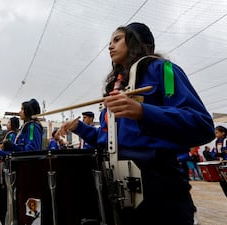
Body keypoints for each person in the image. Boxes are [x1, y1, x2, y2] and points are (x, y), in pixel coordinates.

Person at [57, 22, 215, 225]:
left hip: (160, 189)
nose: (110, 46)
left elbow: (201, 125)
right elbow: (108, 142)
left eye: (117, 39)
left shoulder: (163, 70)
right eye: (109, 42)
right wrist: (79, 127)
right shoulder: (118, 87)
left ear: (135, 41)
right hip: (119, 189)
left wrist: (143, 112)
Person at [0, 99, 43, 225]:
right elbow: (20, 150)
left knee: (28, 206)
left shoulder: (32, 127)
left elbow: (30, 151)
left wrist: (5, 149)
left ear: (29, 111)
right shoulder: (26, 127)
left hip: (27, 173)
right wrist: (7, 147)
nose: (20, 112)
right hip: (20, 171)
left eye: (22, 109)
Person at [214, 125, 227, 197]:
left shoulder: (226, 140)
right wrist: (215, 155)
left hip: (226, 164)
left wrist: (223, 154)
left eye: (217, 133)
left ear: (223, 133)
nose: (216, 134)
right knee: (223, 184)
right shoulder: (217, 142)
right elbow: (214, 152)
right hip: (221, 165)